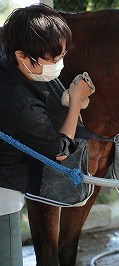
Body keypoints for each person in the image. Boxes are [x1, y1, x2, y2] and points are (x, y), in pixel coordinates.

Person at [0, 4, 93, 265]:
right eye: (51, 60)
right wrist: (75, 103)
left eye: (61, 56)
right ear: (21, 55)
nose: (58, 66)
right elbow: (59, 151)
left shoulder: (6, 71)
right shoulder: (20, 103)